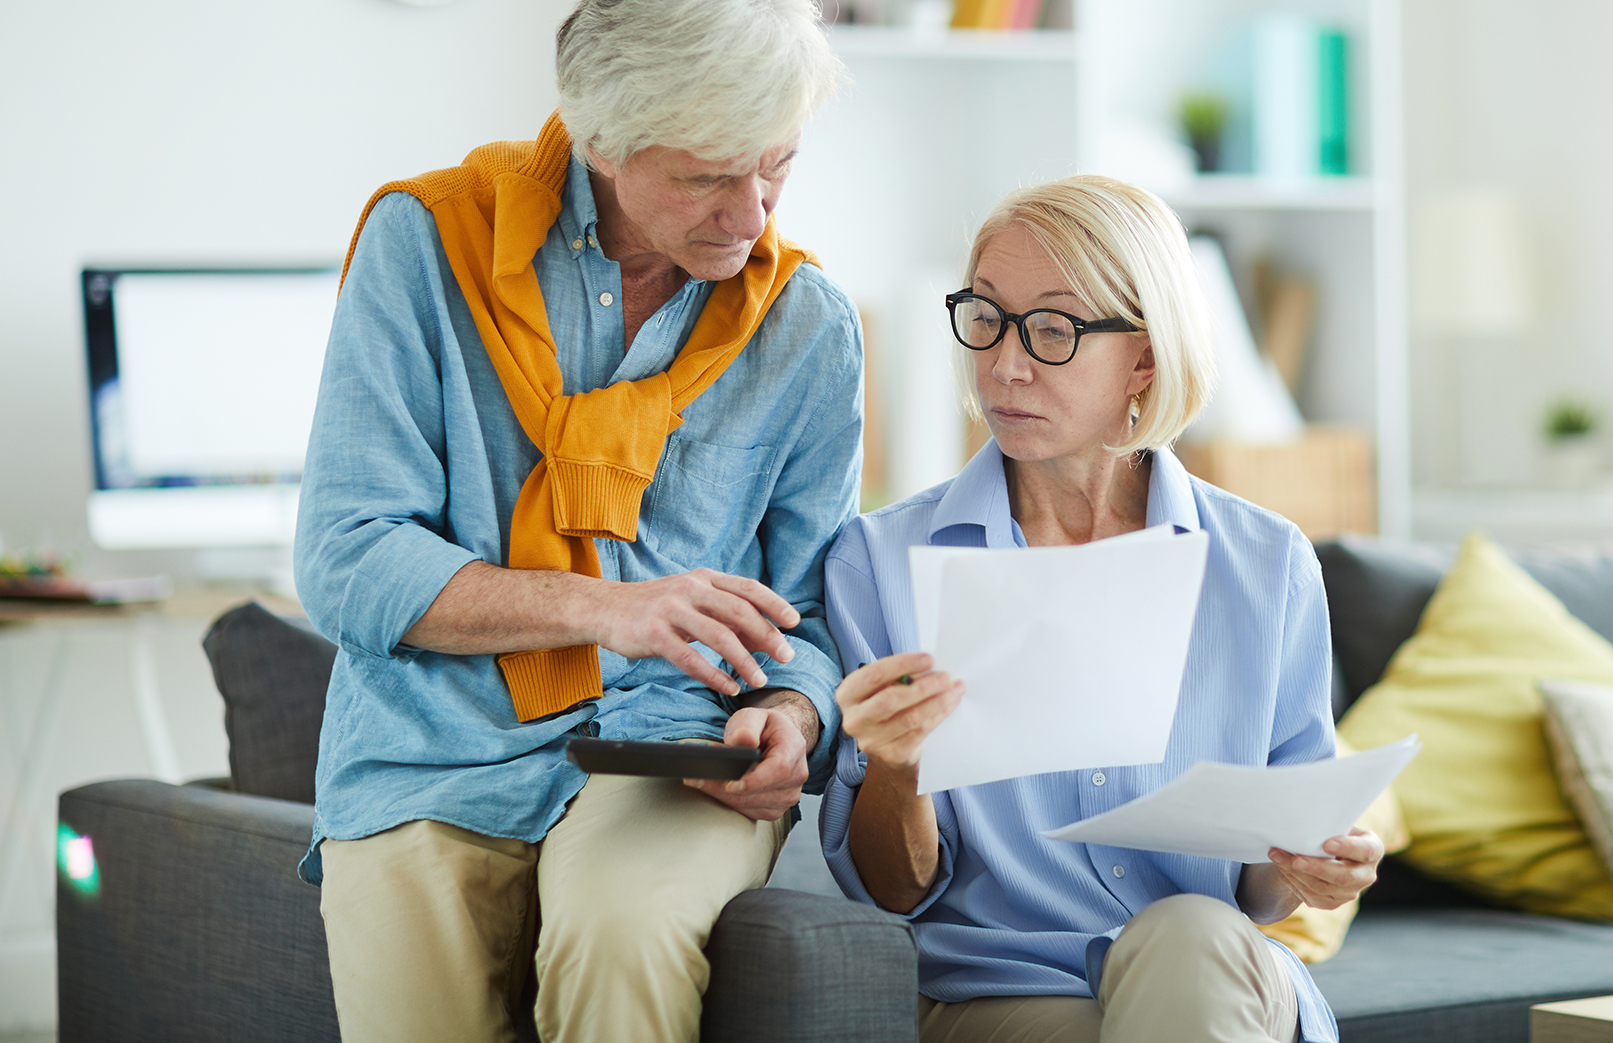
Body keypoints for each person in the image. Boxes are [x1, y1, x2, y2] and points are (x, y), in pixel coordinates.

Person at [292, 2, 859, 1040]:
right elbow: (347, 555)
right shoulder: (425, 243)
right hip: (432, 745)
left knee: (623, 935)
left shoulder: (808, 325)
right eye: (705, 176)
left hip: (673, 742)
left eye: (775, 165)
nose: (751, 215)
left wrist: (794, 717)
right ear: (601, 137)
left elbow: (815, 607)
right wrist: (606, 608)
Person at [817, 174, 1383, 1043]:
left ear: (1145, 359)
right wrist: (895, 768)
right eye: (986, 317)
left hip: (1217, 970)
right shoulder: (881, 563)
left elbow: (1258, 890)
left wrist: (1312, 868)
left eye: (1052, 330)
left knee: (1190, 932)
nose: (1004, 363)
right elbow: (894, 890)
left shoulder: (1265, 564)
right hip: (1008, 992)